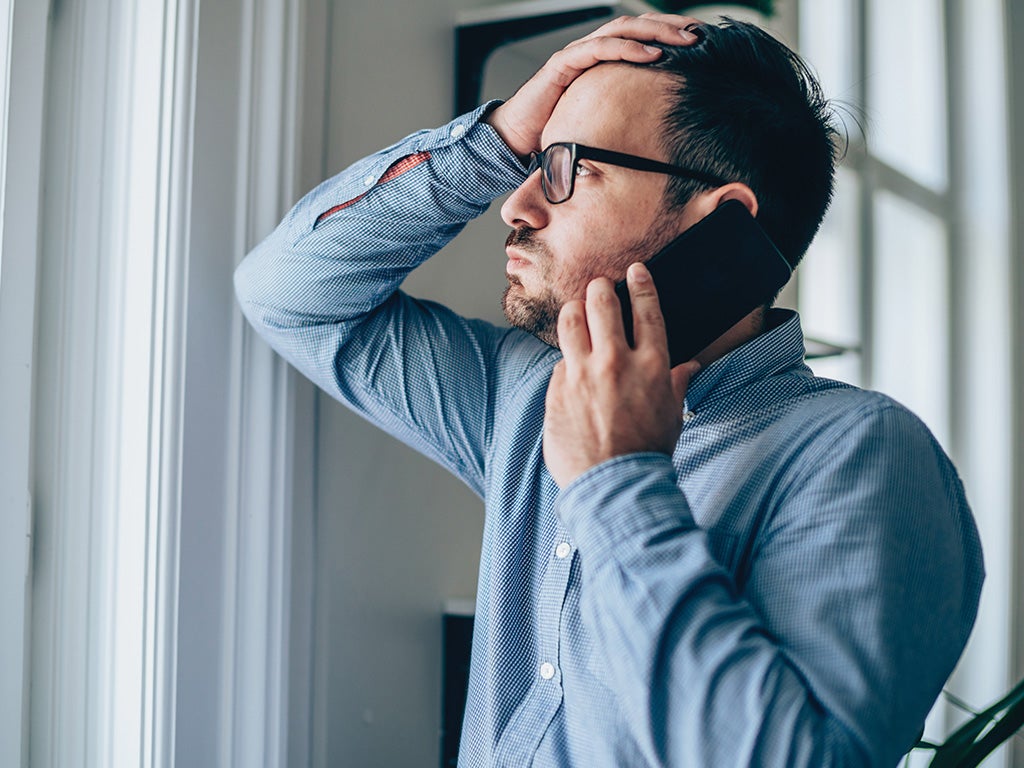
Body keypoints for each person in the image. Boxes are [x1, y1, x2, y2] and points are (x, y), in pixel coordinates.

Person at [234, 13, 984, 767]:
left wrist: (617, 480)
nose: (515, 205)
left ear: (719, 223)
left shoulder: (865, 456)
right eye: (531, 161)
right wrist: (494, 141)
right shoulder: (525, 397)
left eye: (566, 166)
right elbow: (291, 292)